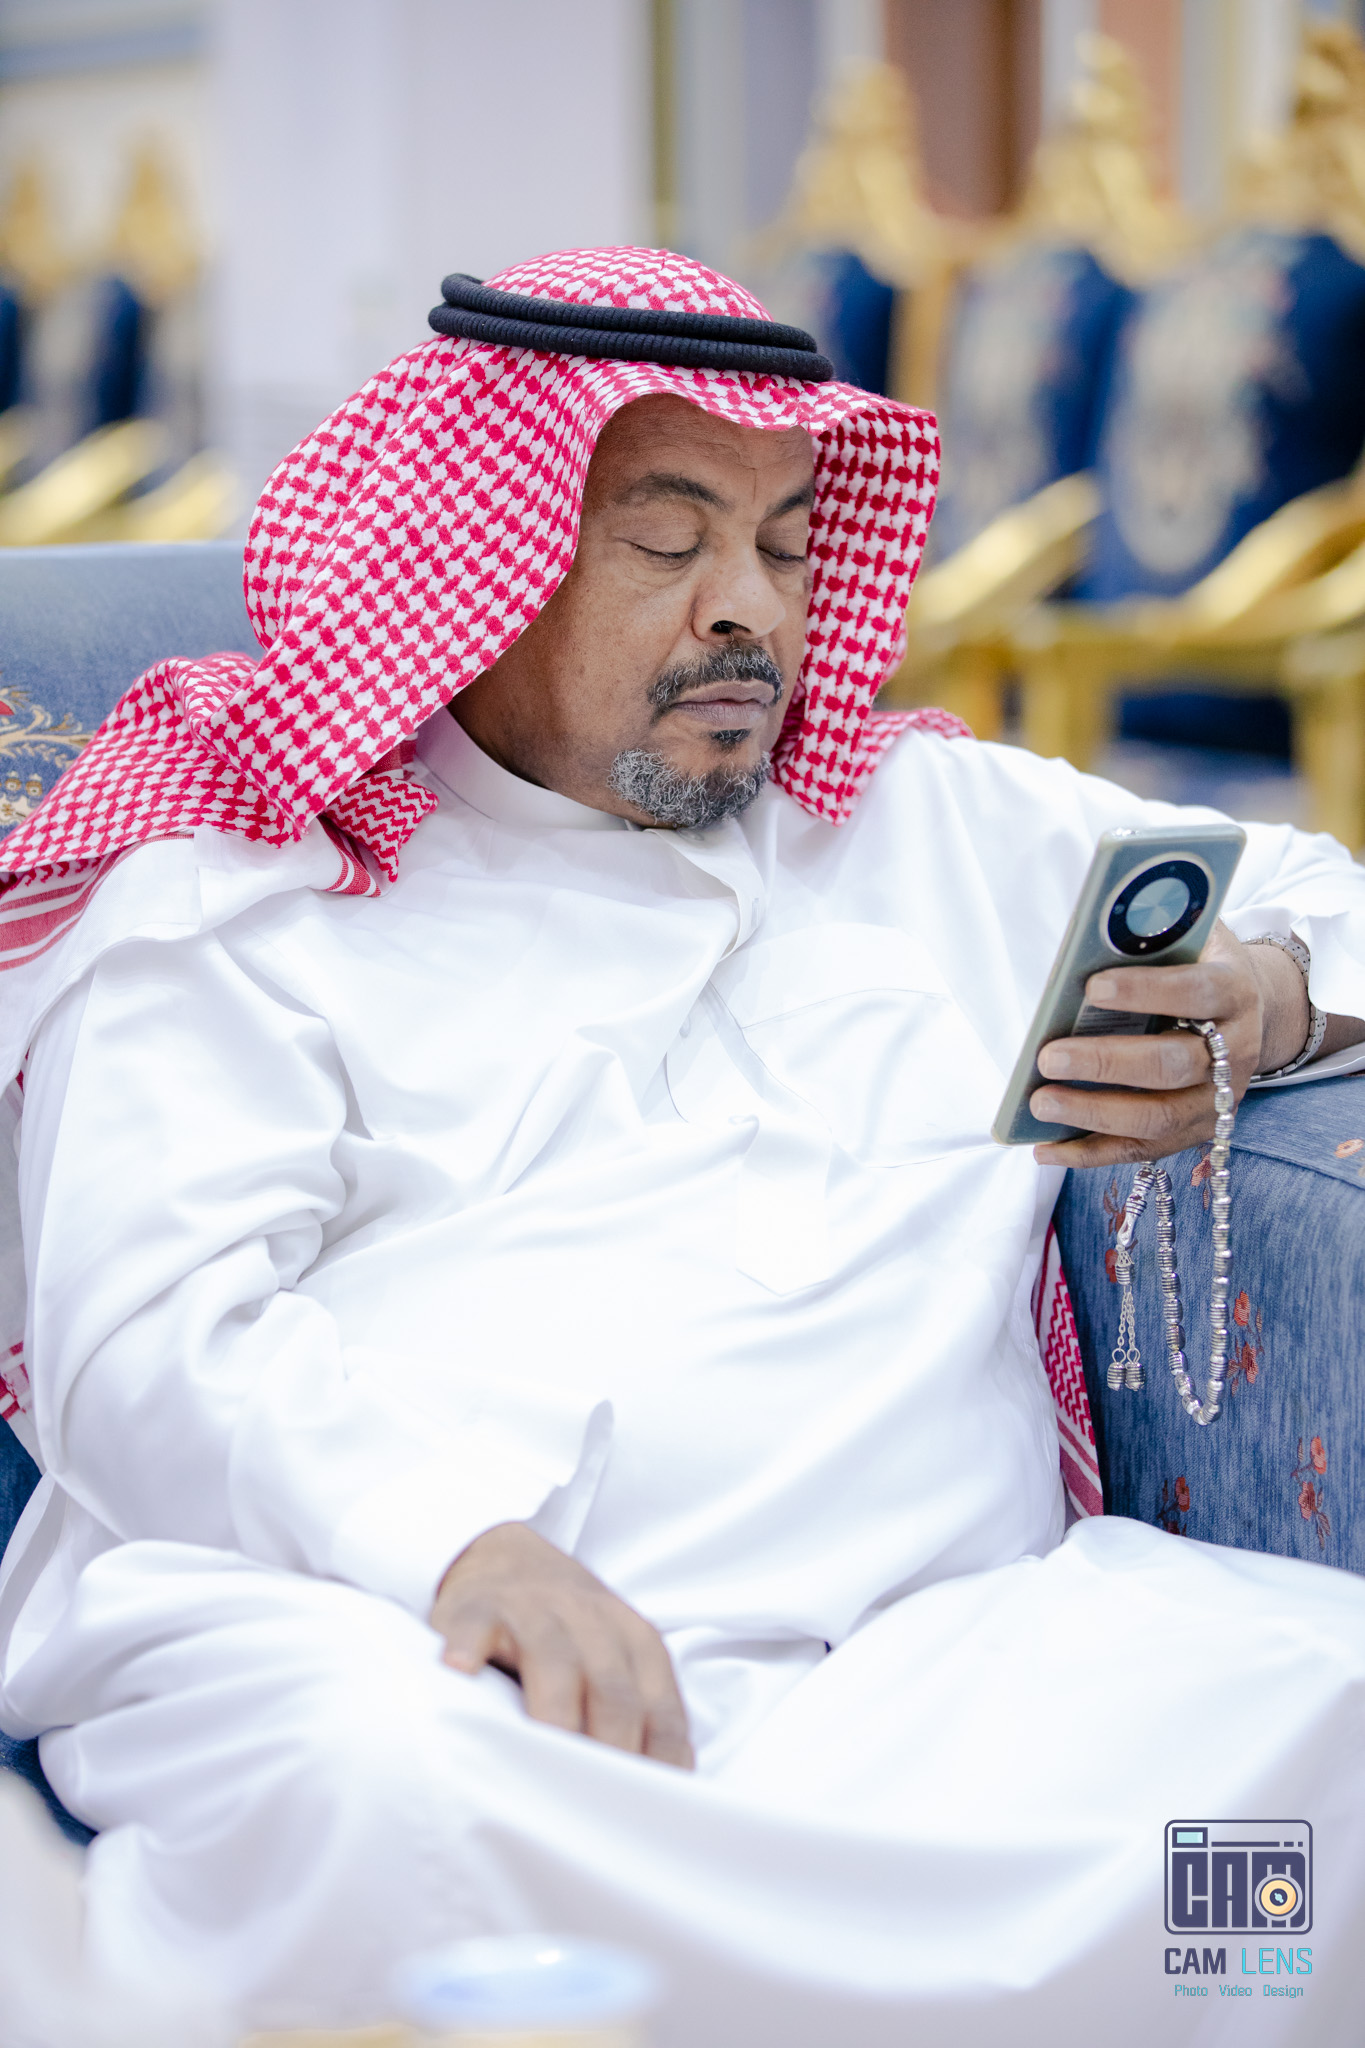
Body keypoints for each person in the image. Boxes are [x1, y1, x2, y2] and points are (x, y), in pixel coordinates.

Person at [1, 247, 1364, 2046]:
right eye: (665, 545)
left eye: (789, 550)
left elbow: (1324, 893)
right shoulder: (242, 892)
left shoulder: (926, 821)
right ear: (473, 568)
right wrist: (457, 1548)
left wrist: (1268, 995)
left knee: (1324, 1707)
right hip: (422, 1631)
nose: (751, 614)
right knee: (387, 1790)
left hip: (938, 1660)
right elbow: (147, 1342)